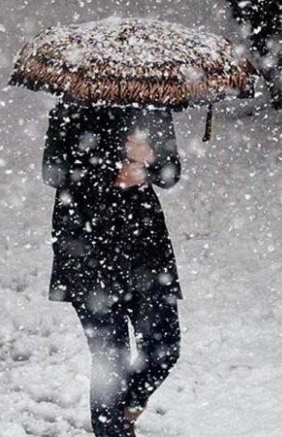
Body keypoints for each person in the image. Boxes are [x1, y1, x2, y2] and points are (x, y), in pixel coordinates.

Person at [42, 98, 183, 437]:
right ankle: (113, 429)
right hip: (87, 248)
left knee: (164, 346)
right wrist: (114, 168)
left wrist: (150, 161)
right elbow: (54, 171)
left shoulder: (151, 103)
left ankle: (126, 409)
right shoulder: (72, 105)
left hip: (145, 248)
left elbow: (171, 173)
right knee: (111, 360)